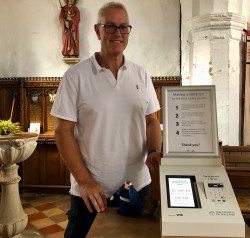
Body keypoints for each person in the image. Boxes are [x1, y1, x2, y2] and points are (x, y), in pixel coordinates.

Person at [51, 2, 162, 237]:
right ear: (97, 30)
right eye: (110, 26)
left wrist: (153, 150)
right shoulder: (75, 77)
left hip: (136, 187)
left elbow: (152, 121)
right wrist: (84, 181)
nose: (117, 33)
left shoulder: (141, 74)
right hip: (91, 192)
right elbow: (62, 132)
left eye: (123, 27)